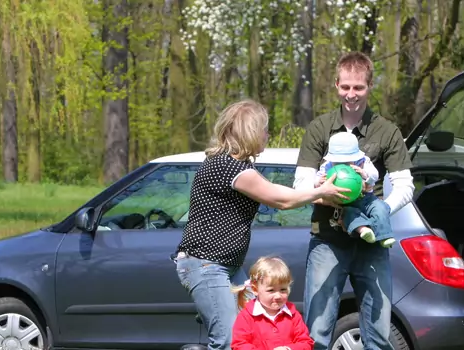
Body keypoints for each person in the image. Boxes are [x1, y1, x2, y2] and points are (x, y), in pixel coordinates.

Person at [174, 99, 350, 350]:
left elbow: (281, 192)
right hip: (207, 264)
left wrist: (320, 191)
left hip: (227, 266)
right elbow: (280, 199)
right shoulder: (227, 167)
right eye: (264, 129)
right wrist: (321, 191)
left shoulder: (240, 166)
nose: (267, 134)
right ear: (250, 132)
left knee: (256, 329)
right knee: (228, 340)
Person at [293, 51, 415, 350]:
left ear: (369, 86)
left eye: (358, 87)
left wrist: (381, 210)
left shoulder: (387, 131)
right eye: (345, 87)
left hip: (371, 245)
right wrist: (319, 189)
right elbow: (299, 183)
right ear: (336, 85)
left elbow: (405, 186)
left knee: (378, 334)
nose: (351, 94)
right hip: (327, 240)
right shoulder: (319, 129)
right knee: (317, 331)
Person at [315, 131, 396, 248]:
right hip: (347, 201)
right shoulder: (327, 166)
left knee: (380, 207)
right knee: (349, 214)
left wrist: (364, 173)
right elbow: (316, 179)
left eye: (347, 161)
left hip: (367, 198)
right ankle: (363, 230)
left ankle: (385, 236)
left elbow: (375, 175)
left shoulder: (363, 161)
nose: (342, 164)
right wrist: (319, 182)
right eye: (337, 162)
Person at [230, 256, 314, 350]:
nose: (278, 296)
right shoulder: (246, 316)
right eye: (271, 290)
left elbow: (306, 343)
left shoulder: (293, 315)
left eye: (283, 290)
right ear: (255, 289)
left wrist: (289, 349)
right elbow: (239, 345)